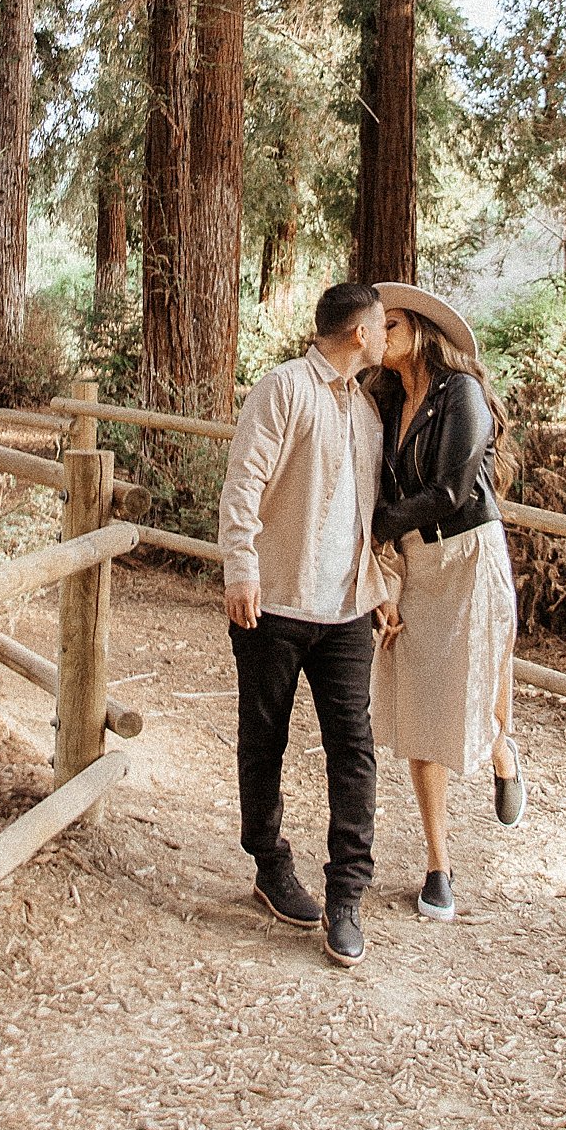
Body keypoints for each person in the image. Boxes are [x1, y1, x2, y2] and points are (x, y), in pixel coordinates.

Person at [218, 282, 393, 967]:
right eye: (381, 327)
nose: (385, 338)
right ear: (358, 332)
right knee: (263, 740)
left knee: (354, 748)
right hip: (275, 603)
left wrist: (384, 586)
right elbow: (244, 481)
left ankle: (347, 894)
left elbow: (369, 510)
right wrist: (240, 568)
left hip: (347, 610)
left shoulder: (370, 412)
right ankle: (268, 864)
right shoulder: (283, 388)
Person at [368, 283, 524, 924]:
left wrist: (376, 523)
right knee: (422, 702)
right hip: (416, 561)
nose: (379, 336)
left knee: (476, 682)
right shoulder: (382, 402)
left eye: (392, 325)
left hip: (469, 555)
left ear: (421, 332)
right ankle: (439, 865)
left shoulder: (459, 394)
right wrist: (384, 564)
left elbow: (454, 489)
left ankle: (501, 749)